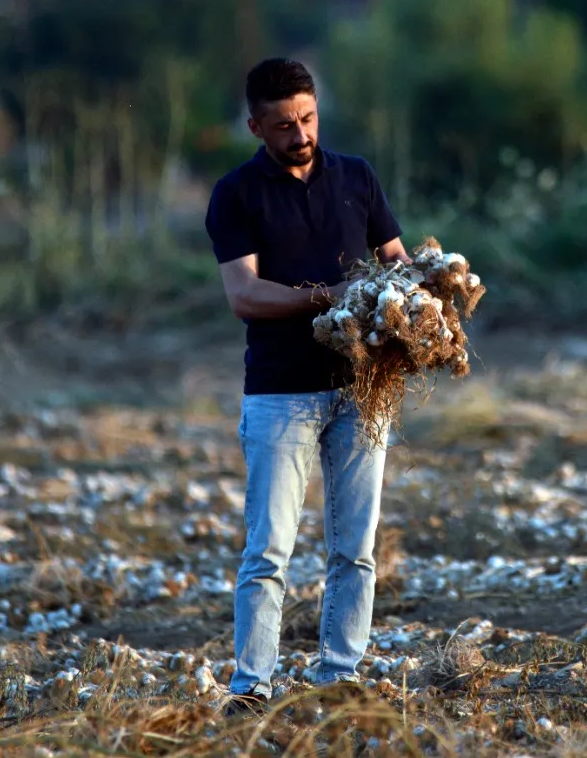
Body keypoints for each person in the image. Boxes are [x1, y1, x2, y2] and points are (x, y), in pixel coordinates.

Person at [203, 57, 410, 715]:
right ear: (255, 126)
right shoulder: (235, 194)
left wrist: (420, 301)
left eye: (309, 118)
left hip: (361, 390)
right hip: (279, 393)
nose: (301, 134)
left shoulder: (357, 177)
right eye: (285, 125)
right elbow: (245, 295)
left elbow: (397, 263)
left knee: (356, 548)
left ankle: (340, 675)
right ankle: (251, 687)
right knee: (268, 550)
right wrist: (329, 296)